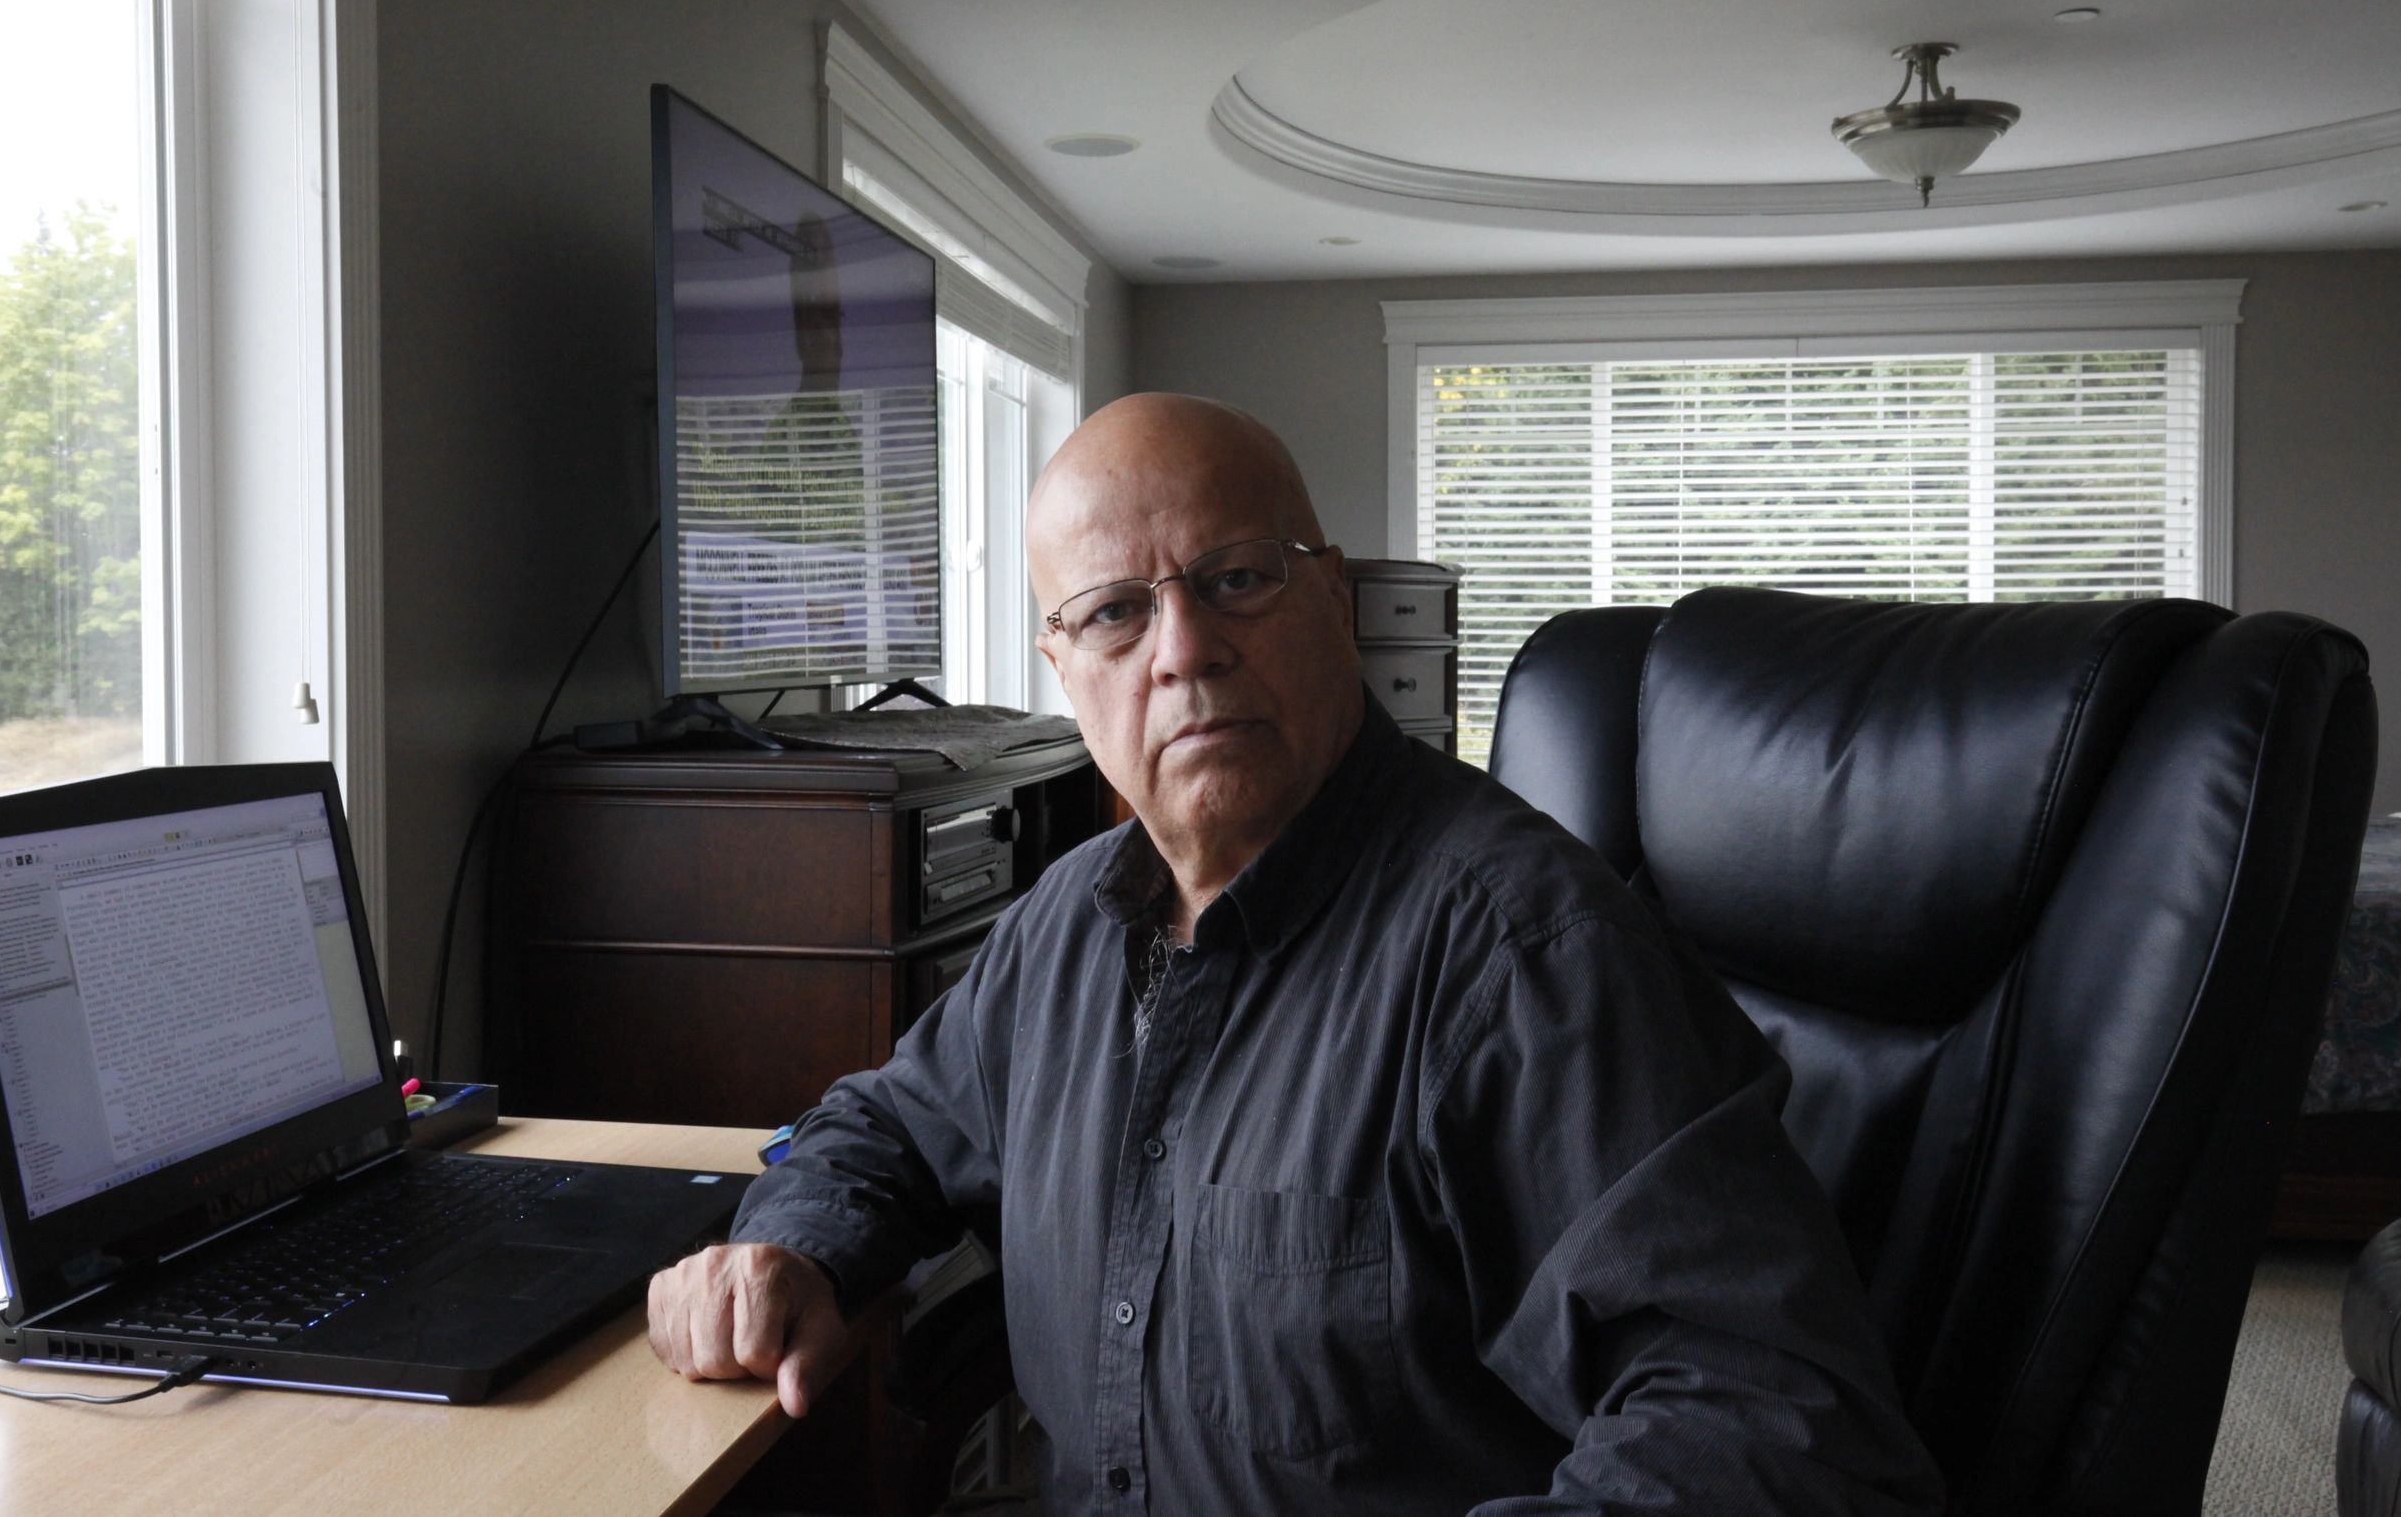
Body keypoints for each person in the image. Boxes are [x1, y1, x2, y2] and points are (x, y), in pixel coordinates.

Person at [646, 393, 1945, 1514]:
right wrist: (796, 1249)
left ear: (1334, 595)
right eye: (1113, 613)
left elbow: (1776, 1423)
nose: (1184, 650)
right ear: (1063, 667)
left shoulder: (1525, 955)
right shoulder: (1064, 926)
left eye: (1237, 580)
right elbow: (886, 1123)